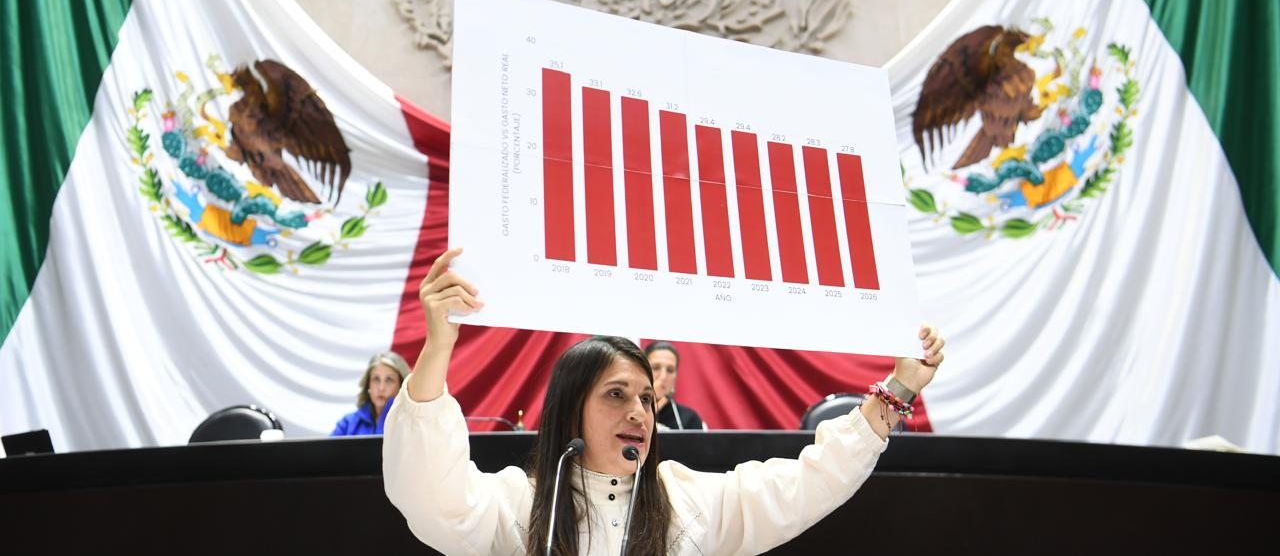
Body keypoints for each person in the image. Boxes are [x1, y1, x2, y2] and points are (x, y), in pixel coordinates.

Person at [384, 247, 945, 555]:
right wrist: (438, 347)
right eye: (616, 395)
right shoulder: (518, 504)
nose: (639, 412)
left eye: (647, 399)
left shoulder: (687, 502)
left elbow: (809, 483)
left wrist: (898, 391)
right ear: (570, 409)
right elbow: (429, 496)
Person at [331, 351, 409, 436]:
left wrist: (387, 413)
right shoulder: (348, 423)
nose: (381, 388)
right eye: (376, 379)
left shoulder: (409, 423)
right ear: (368, 384)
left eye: (389, 380)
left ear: (402, 385)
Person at [643, 341, 706, 430]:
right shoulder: (630, 411)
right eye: (656, 368)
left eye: (670, 370)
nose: (663, 377)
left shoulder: (690, 419)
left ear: (675, 377)